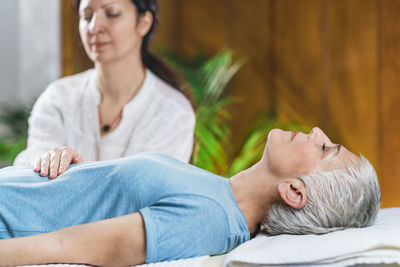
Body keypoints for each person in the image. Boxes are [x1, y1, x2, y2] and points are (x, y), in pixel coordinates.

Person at [0, 127, 381, 266]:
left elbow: (66, 244)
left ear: (295, 191)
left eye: (325, 149)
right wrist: (69, 169)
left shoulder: (212, 219)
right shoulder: (217, 190)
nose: (316, 131)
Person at [13, 0, 196, 179]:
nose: (94, 27)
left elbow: (148, 194)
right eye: (87, 16)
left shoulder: (174, 112)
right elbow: (30, 167)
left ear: (143, 23)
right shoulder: (58, 97)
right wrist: (45, 161)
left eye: (112, 13)